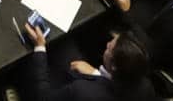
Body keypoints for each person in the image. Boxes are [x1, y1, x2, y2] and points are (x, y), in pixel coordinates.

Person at [19, 25, 155, 101]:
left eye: (109, 48)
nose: (107, 44)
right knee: (66, 45)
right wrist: (97, 74)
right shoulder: (145, 87)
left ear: (114, 67)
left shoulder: (83, 91)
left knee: (27, 63)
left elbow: (43, 97)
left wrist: (40, 48)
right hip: (97, 84)